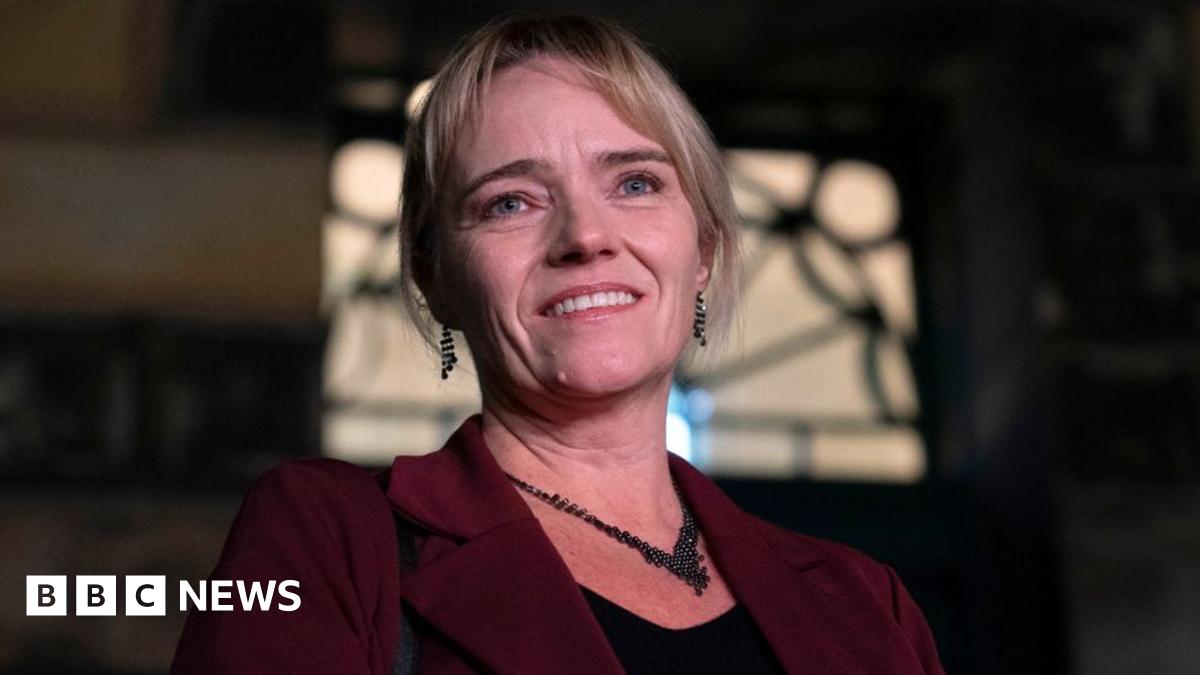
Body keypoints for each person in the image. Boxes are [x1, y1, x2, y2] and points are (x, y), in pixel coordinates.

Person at [173, 15, 944, 675]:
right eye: (511, 201)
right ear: (434, 276)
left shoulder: (866, 604)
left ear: (703, 248)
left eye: (635, 183)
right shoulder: (327, 541)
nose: (585, 235)